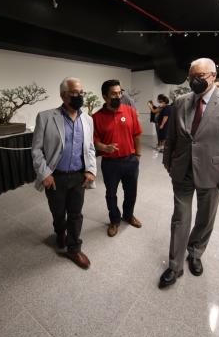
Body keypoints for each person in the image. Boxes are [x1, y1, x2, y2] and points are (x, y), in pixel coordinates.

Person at [159, 58, 219, 288]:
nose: (194, 81)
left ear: (213, 76)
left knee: (206, 217)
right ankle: (174, 266)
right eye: (191, 77)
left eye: (200, 76)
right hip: (182, 169)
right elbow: (171, 135)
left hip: (213, 171)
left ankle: (195, 252)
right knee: (180, 217)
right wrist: (167, 160)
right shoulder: (181, 101)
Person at [31, 77, 97, 269]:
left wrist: (91, 170)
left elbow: (90, 148)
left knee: (76, 214)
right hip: (55, 177)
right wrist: (45, 174)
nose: (79, 96)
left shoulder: (88, 120)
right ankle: (60, 232)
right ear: (63, 95)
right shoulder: (45, 117)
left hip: (78, 177)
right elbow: (36, 150)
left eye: (81, 92)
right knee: (58, 212)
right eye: (75, 92)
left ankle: (74, 249)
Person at [93, 79, 143, 237]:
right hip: (110, 163)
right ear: (105, 96)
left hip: (130, 161)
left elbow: (137, 134)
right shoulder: (96, 117)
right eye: (114, 94)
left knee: (131, 192)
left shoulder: (129, 111)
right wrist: (104, 147)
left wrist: (137, 156)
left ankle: (128, 215)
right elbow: (94, 141)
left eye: (119, 93)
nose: (118, 96)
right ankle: (114, 220)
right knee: (111, 194)